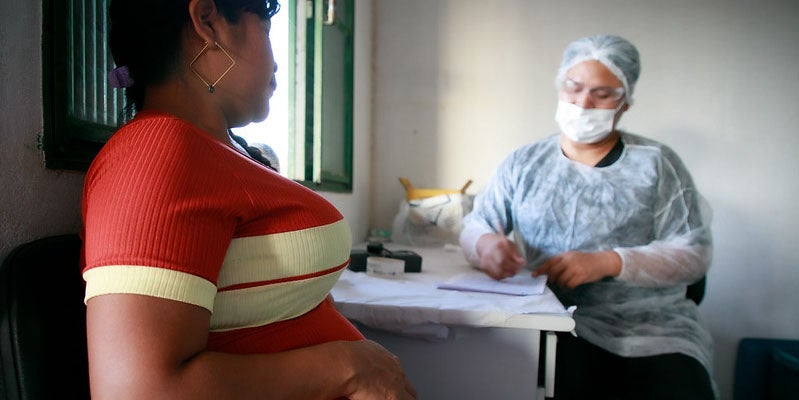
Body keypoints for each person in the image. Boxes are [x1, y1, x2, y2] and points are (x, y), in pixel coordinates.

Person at [81, 1, 416, 399]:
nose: (277, 65)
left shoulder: (220, 152)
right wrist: (349, 368)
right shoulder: (156, 153)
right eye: (268, 31)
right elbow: (136, 392)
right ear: (207, 21)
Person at [459, 34, 716, 399]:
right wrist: (486, 246)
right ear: (559, 86)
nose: (583, 103)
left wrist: (611, 262)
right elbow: (476, 224)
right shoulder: (524, 164)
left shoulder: (657, 164)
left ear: (625, 102)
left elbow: (694, 252)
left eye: (603, 93)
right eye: (574, 87)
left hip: (654, 331)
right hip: (555, 321)